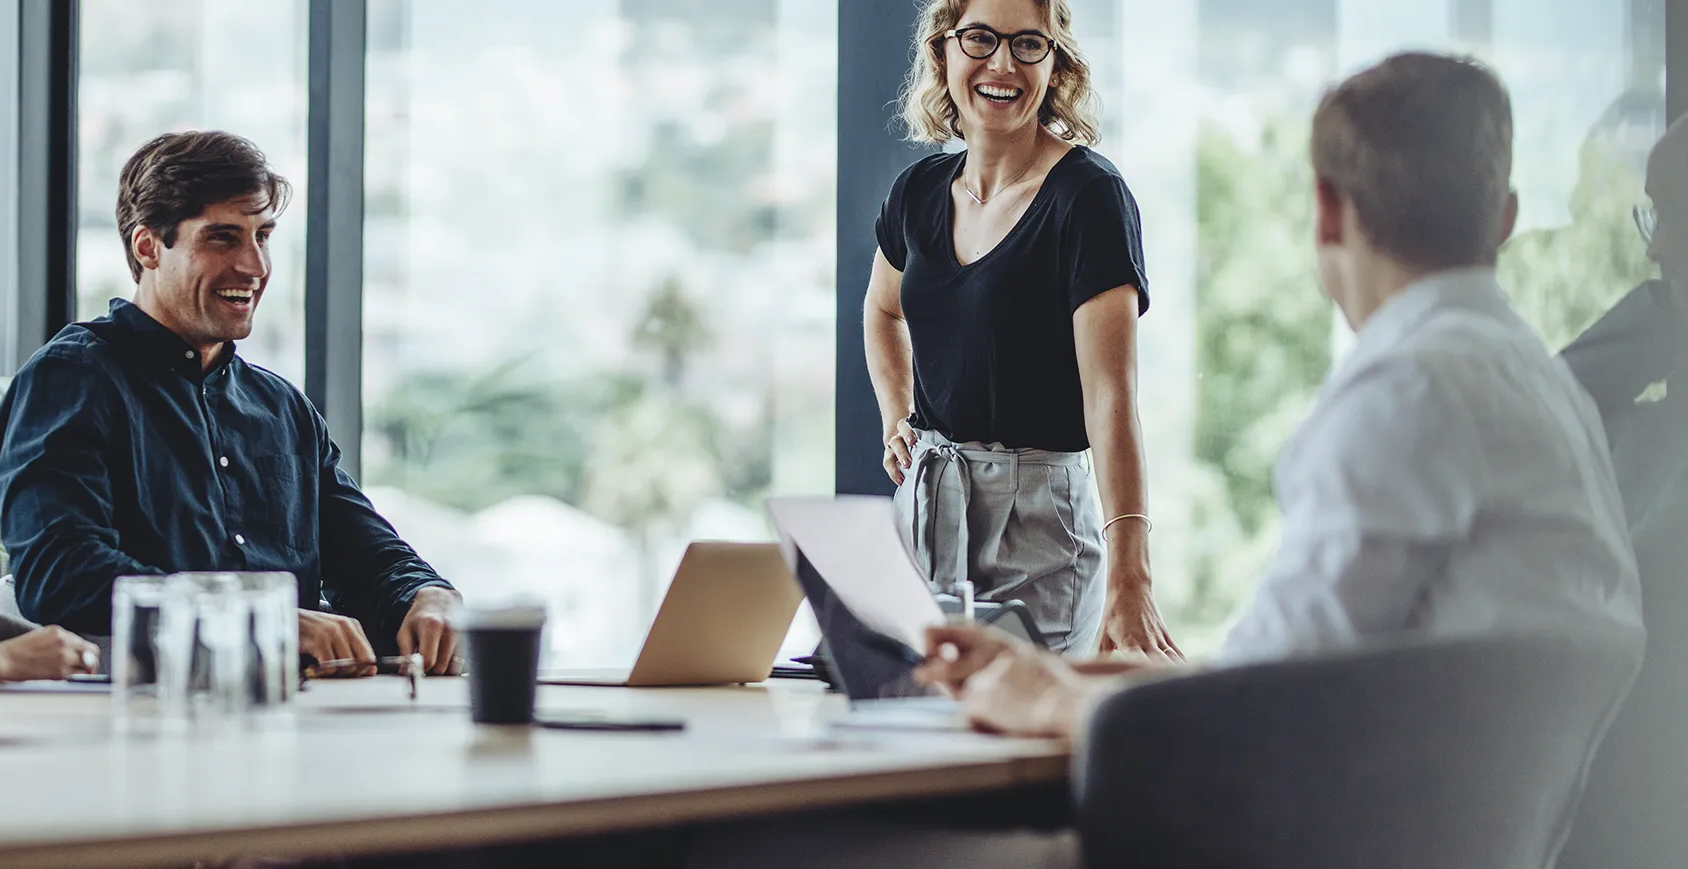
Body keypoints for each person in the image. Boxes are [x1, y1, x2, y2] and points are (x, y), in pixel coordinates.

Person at [684, 51, 1646, 869]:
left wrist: (1053, 695)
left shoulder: (1404, 394)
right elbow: (1293, 671)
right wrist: (1071, 677)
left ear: (1325, 212)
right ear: (1505, 216)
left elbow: (1259, 718)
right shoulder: (1543, 387)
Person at [0, 131, 464, 676]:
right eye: (222, 238)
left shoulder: (281, 407)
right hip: (134, 708)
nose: (255, 266)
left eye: (263, 236)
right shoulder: (69, 380)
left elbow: (366, 554)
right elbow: (61, 574)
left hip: (297, 706)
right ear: (148, 247)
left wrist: (425, 593)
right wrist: (258, 618)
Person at [865, 0, 1171, 656]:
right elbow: (883, 311)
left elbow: (1111, 400)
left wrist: (1132, 576)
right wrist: (897, 415)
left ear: (1055, 64)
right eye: (980, 39)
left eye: (1028, 44)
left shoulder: (1089, 197)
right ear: (944, 51)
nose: (1003, 64)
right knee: (913, 710)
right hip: (925, 509)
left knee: (1023, 719)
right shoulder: (917, 192)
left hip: (1041, 528)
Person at [1555, 118, 1688, 869]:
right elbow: (1544, 412)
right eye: (1653, 216)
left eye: (1676, 215)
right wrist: (1662, 313)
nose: (1654, 249)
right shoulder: (1654, 417)